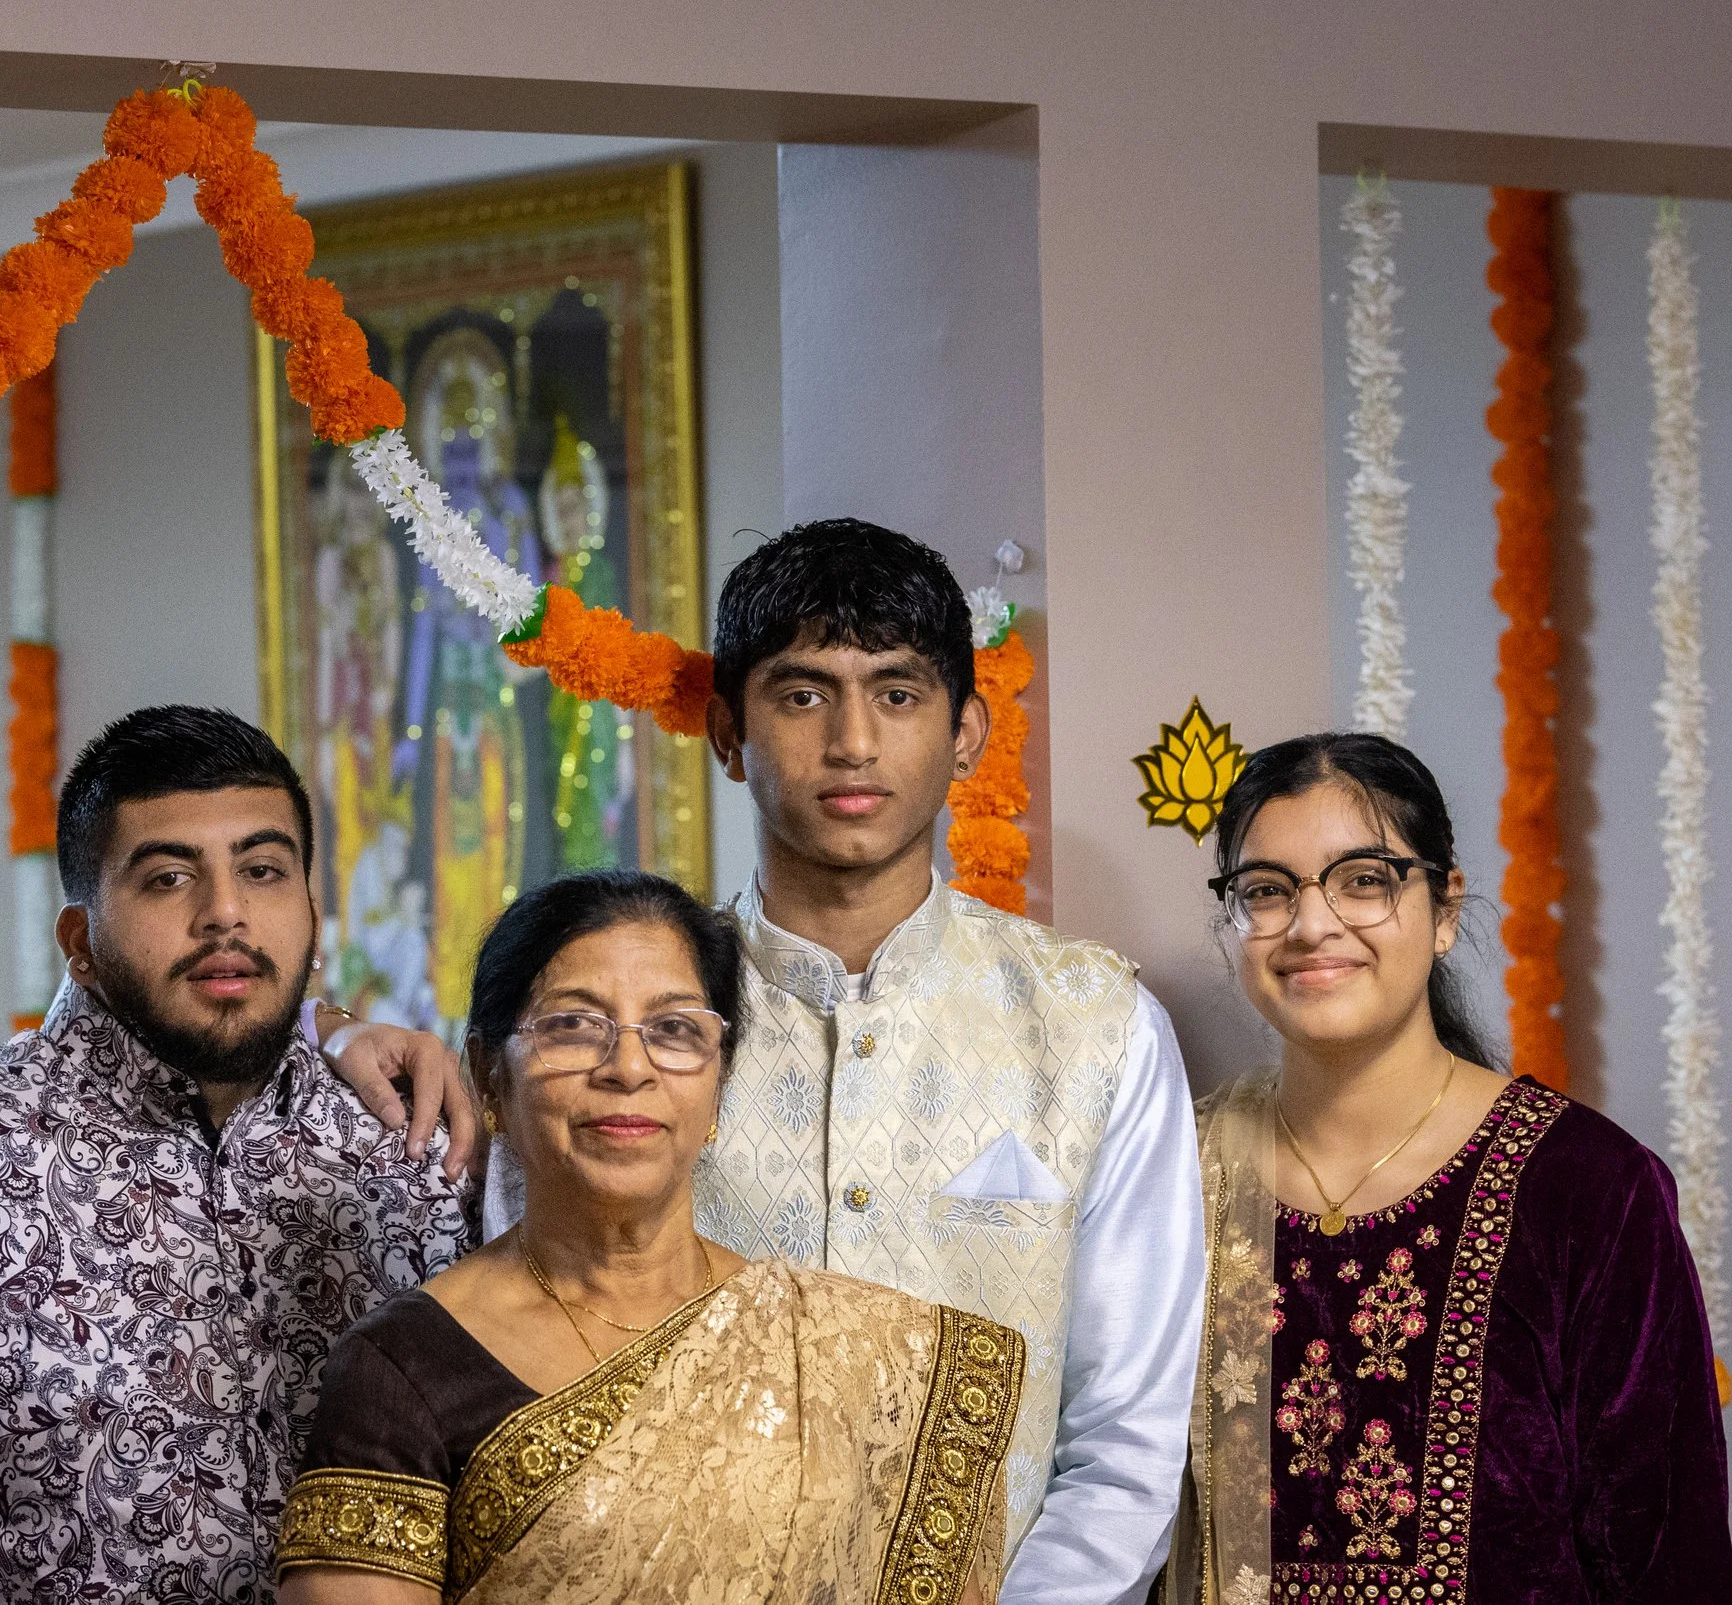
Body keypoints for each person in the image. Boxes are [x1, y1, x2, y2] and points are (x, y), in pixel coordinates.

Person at [480, 518, 1204, 1603]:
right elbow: (529, 1344)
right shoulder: (623, 1030)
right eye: (804, 694)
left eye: (898, 693)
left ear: (967, 732)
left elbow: (1126, 1436)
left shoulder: (1097, 1026)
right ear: (728, 731)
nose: (853, 740)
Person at [0, 706, 479, 1604]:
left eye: (262, 870)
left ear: (312, 914)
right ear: (78, 943)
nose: (225, 912)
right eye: (169, 877)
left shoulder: (415, 1149)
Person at [279, 870, 1027, 1604]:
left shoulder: (860, 1358)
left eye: (673, 1029)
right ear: (489, 1075)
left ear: (718, 1084)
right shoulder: (403, 1369)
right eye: (572, 1024)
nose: (628, 1067)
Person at [1175, 733, 1732, 1604]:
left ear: (1444, 909)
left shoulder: (1588, 1188)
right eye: (1268, 891)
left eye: (1364, 879)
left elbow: (1664, 1557)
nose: (1313, 923)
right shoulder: (1174, 1175)